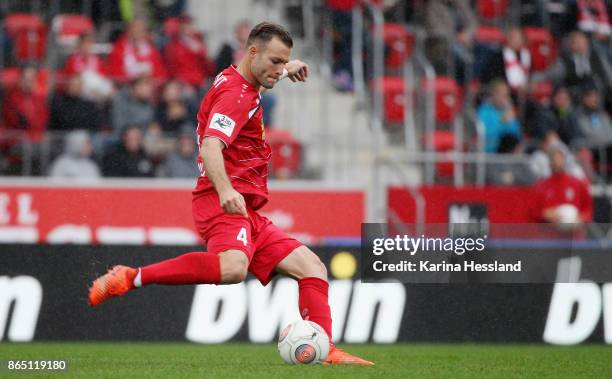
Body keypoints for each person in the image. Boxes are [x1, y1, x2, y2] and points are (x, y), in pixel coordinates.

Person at [88, 22, 373, 365]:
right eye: (275, 61)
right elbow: (211, 146)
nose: (279, 68)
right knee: (234, 268)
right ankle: (130, 277)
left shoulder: (237, 78)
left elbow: (254, 83)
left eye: (284, 61)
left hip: (246, 207)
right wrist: (225, 190)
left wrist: (285, 71)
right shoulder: (235, 96)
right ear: (253, 52)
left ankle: (325, 349)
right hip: (222, 199)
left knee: (311, 267)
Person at [531, 145, 592, 227]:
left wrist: (580, 219)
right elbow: (533, 212)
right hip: (549, 235)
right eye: (554, 159)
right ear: (549, 162)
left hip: (573, 235)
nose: (557, 162)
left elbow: (588, 210)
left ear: (564, 160)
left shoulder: (577, 184)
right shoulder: (541, 186)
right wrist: (544, 214)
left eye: (559, 159)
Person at [477, 80, 522, 153]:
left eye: (507, 95)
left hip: (509, 153)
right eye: (503, 95)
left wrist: (510, 120)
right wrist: (501, 122)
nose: (505, 99)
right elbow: (485, 135)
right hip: (490, 152)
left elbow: (517, 135)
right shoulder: (483, 112)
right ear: (494, 94)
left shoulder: (507, 111)